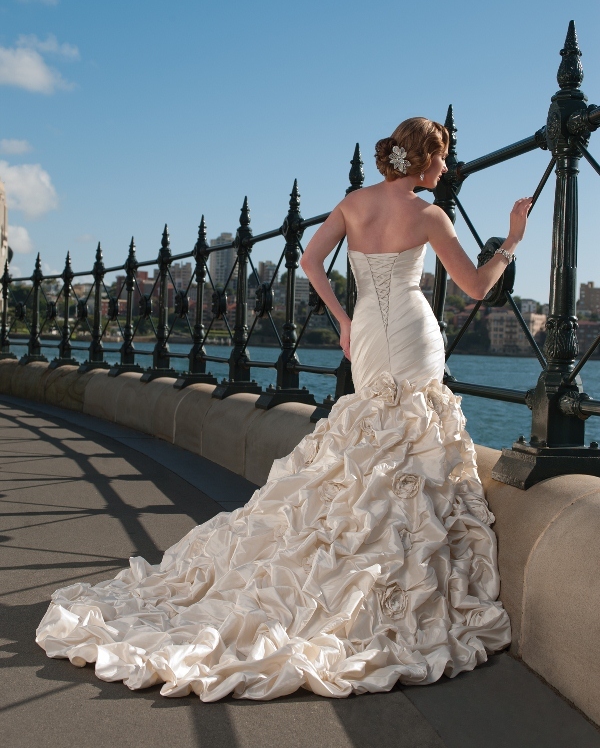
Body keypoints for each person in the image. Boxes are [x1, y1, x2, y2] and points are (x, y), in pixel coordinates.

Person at [36, 117, 531, 702]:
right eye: (441, 158)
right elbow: (475, 287)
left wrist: (344, 322)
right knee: (407, 432)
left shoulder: (353, 204)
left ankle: (359, 531)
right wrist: (510, 241)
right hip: (412, 329)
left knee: (372, 429)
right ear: (423, 160)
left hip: (370, 331)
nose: (445, 169)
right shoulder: (430, 215)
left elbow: (310, 263)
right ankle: (394, 544)